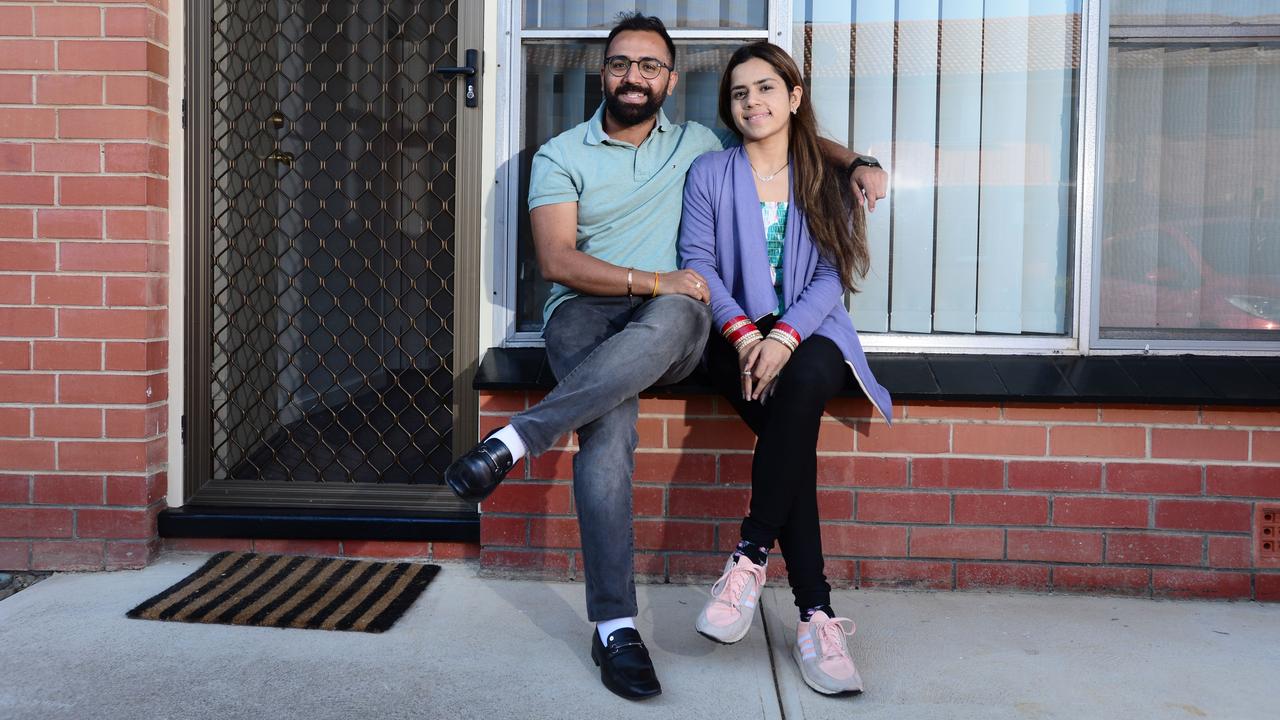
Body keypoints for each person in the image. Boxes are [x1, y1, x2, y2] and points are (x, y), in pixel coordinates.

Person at [445, 15, 887, 700]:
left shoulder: (698, 144)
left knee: (686, 312)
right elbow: (558, 260)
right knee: (610, 435)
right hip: (589, 316)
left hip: (678, 316)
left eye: (650, 66)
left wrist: (854, 161)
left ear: (670, 81)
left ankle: (514, 440)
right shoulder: (564, 154)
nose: (634, 77)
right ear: (603, 73)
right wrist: (661, 283)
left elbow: (784, 137)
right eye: (621, 64)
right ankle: (616, 627)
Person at [677, 42, 893, 696]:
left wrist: (786, 337)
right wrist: (746, 335)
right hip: (732, 331)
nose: (753, 102)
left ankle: (748, 557)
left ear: (794, 97)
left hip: (815, 328)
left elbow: (833, 276)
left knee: (799, 388)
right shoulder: (709, 172)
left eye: (766, 88)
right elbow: (699, 261)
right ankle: (816, 615)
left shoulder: (826, 178)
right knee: (793, 440)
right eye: (740, 93)